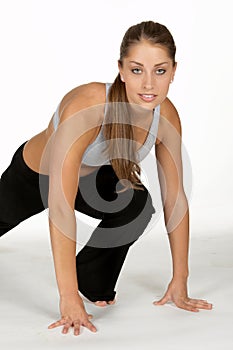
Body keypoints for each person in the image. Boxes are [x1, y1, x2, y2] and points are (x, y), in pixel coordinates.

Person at [0, 20, 212, 336]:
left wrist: (180, 279)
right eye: (137, 70)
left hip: (93, 179)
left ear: (174, 71)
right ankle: (75, 287)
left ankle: (92, 280)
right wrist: (67, 297)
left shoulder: (165, 116)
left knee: (138, 205)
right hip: (34, 177)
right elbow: (60, 206)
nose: (149, 84)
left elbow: (175, 198)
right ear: (121, 69)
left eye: (160, 70)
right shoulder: (88, 106)